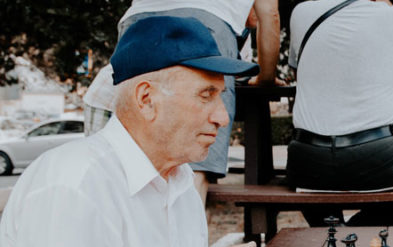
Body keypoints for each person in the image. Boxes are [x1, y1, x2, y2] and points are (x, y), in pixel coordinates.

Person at [0, 16, 268, 247]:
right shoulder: (73, 186)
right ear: (146, 99)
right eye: (206, 95)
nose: (223, 117)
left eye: (221, 96)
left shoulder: (181, 184)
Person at [82, 0, 282, 204]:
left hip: (137, 22)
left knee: (131, 162)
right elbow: (270, 15)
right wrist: (266, 78)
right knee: (195, 166)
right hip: (208, 21)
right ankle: (185, 233)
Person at [286, 0, 393, 226]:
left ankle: (331, 232)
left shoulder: (301, 12)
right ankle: (354, 234)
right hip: (379, 155)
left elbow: (300, 72)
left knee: (315, 178)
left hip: (307, 159)